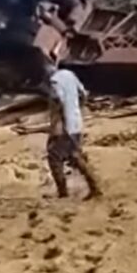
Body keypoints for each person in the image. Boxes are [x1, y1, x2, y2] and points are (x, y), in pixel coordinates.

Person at [43, 62, 102, 200]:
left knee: (54, 157)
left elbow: (58, 99)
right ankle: (95, 186)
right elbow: (83, 94)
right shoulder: (70, 75)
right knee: (75, 155)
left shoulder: (54, 81)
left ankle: (63, 192)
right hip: (76, 123)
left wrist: (60, 121)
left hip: (63, 127)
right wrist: (76, 110)